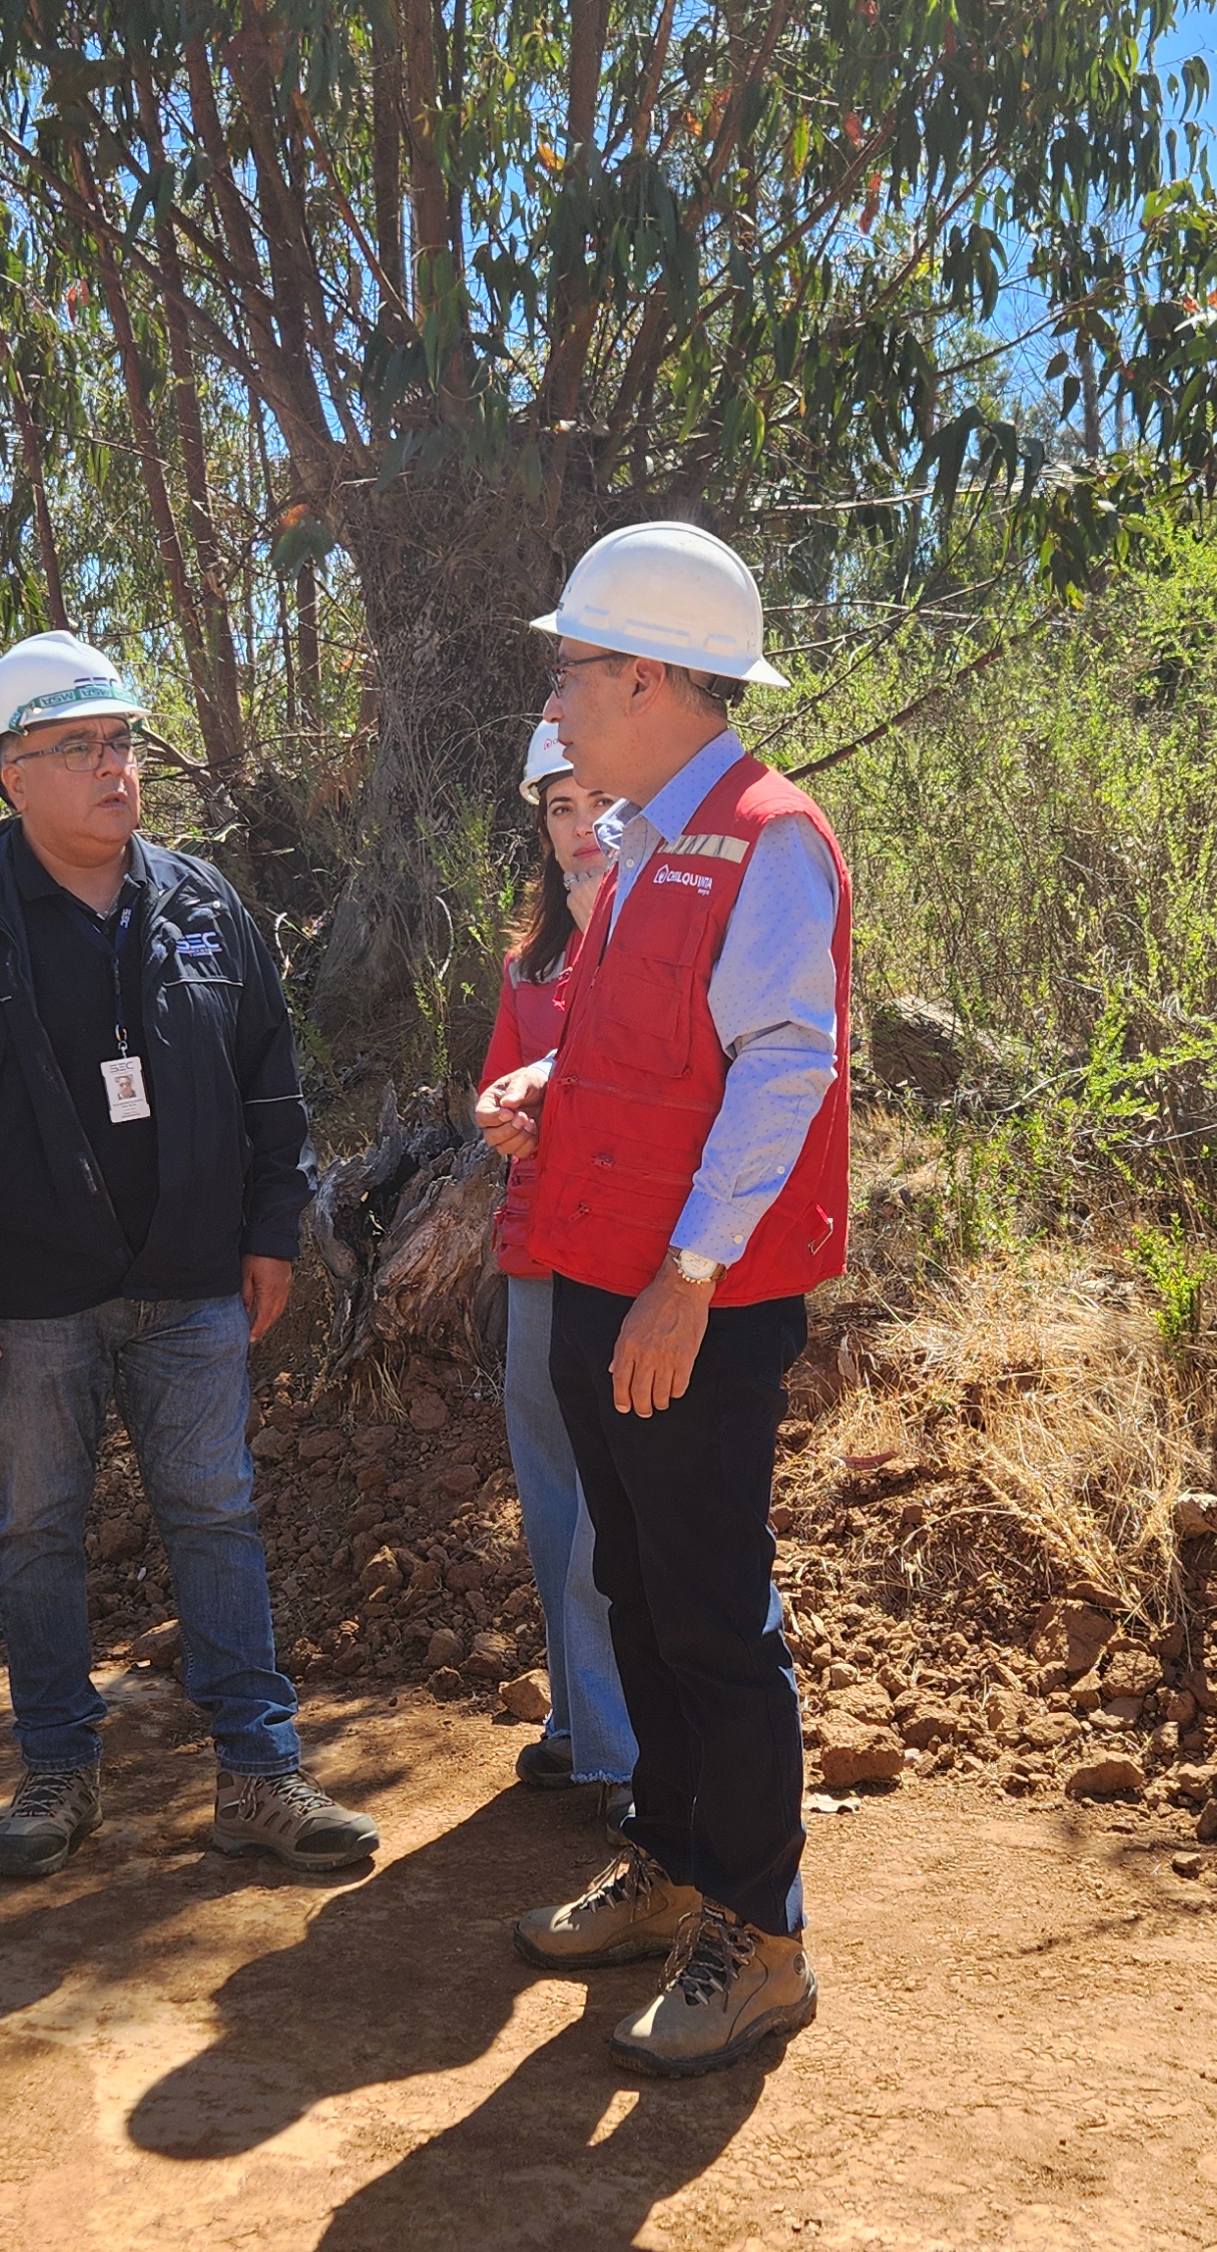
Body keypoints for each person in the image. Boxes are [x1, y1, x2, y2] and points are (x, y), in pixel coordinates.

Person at [0, 630, 375, 1881]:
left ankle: (259, 1771)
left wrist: (268, 1230)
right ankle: (58, 1771)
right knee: (36, 1527)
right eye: (77, 746)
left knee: (218, 1514)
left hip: (193, 1281)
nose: (113, 766)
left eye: (122, 742)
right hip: (28, 1299)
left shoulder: (202, 903)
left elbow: (269, 1082)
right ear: (11, 773)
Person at [483, 520, 852, 2078]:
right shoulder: (641, 837)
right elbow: (663, 1043)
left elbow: (785, 1064)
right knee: (633, 1587)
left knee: (707, 1610)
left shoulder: (768, 836)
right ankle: (675, 1859)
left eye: (572, 671)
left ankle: (759, 1937)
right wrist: (549, 1085)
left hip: (683, 1298)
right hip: (592, 1271)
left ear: (644, 674)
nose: (556, 704)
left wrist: (689, 1277)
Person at [478, 718, 635, 1818]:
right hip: (534, 1253)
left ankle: (627, 1755)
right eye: (560, 809)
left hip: (625, 1264)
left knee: (607, 1523)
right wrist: (512, 1119)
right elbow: (500, 1095)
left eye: (599, 805)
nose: (583, 830)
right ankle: (575, 1723)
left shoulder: (663, 933)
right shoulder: (527, 960)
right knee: (548, 1501)